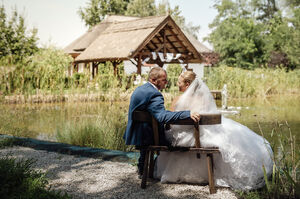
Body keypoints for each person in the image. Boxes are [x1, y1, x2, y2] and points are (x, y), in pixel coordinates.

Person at [154, 71, 274, 190]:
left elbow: (170, 122)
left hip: (182, 139)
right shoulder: (203, 100)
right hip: (199, 137)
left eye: (179, 82)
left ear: (187, 84)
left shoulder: (177, 100)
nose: (176, 84)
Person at [123, 67, 200, 178]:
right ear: (154, 80)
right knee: (178, 141)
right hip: (149, 136)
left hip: (137, 133)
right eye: (164, 80)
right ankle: (181, 171)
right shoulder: (155, 94)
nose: (167, 82)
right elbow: (162, 116)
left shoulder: (140, 89)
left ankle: (142, 168)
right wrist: (187, 114)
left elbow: (156, 113)